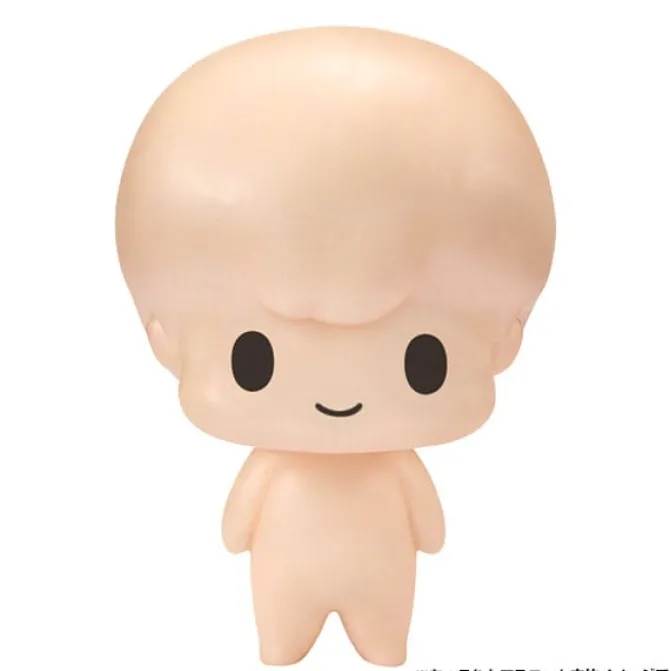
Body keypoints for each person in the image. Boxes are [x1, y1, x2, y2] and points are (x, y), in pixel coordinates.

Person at [116, 26, 555, 666]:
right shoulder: (285, 470)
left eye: (423, 362)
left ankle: (380, 644)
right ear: (162, 338)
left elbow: (237, 534)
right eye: (254, 361)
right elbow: (427, 534)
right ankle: (284, 644)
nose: (339, 395)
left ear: (505, 337)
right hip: (298, 581)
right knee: (283, 637)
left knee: (382, 635)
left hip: (377, 581)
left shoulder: (382, 470)